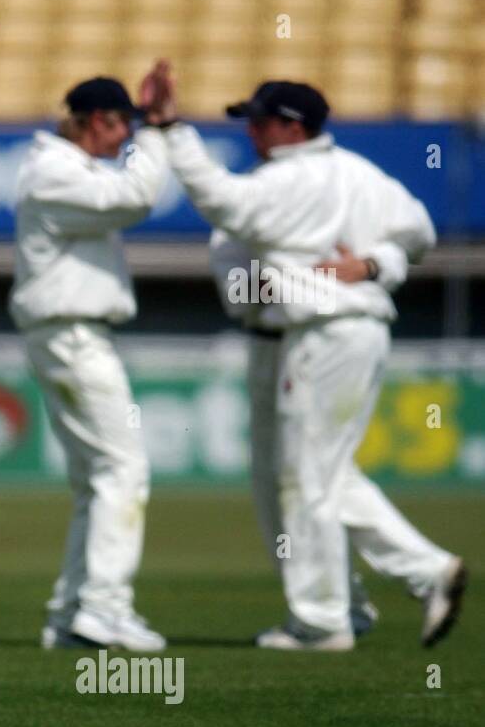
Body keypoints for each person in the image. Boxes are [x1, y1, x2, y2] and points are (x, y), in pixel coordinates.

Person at [151, 67, 467, 650]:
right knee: (310, 476)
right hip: (331, 335)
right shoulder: (359, 175)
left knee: (309, 479)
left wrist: (171, 129)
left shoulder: (288, 181)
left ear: (290, 127)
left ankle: (333, 617)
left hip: (321, 336)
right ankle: (354, 600)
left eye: (259, 121)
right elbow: (418, 231)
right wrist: (377, 265)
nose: (250, 132)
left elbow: (222, 201)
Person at [10, 74, 172, 653]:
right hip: (72, 337)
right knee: (123, 471)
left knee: (97, 479)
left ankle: (72, 611)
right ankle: (104, 610)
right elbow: (136, 198)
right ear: (92, 120)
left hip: (70, 334)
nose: (126, 134)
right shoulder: (55, 171)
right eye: (121, 123)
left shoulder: (62, 168)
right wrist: (158, 132)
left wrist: (147, 131)